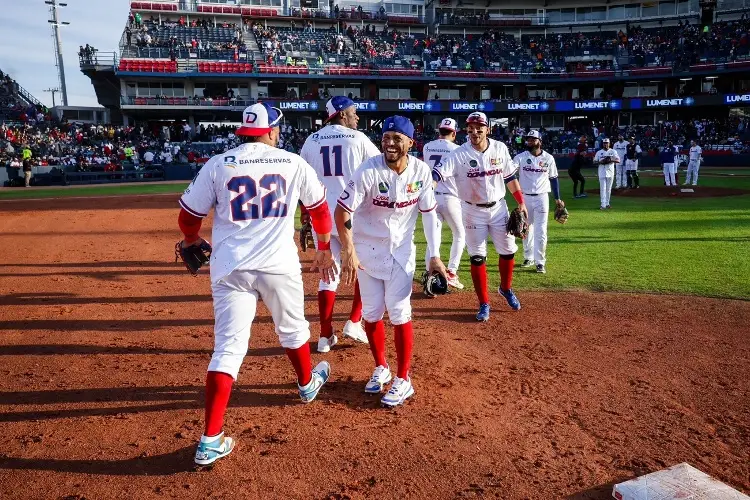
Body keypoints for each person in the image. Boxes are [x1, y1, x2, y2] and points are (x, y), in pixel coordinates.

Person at [177, 103, 337, 465]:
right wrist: (325, 248)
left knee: (229, 348)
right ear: (273, 130)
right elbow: (320, 210)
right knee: (293, 330)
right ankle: (306, 383)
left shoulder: (219, 162)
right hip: (278, 264)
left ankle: (210, 438)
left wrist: (190, 240)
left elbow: (188, 217)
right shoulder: (292, 162)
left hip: (230, 266)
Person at [334, 115, 446, 408]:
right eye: (386, 137)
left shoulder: (421, 172)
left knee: (398, 311)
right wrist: (349, 250)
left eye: (397, 138)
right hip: (367, 251)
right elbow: (342, 211)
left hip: (401, 253)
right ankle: (381, 366)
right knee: (370, 314)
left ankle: (403, 378)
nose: (390, 143)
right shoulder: (368, 170)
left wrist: (434, 255)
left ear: (410, 142)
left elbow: (430, 214)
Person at [299, 96, 381, 353]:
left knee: (327, 274)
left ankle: (324, 335)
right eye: (354, 113)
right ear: (342, 115)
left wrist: (304, 213)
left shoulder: (311, 140)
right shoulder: (358, 139)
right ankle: (354, 321)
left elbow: (303, 181)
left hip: (321, 215)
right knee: (364, 268)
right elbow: (381, 169)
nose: (357, 118)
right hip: (351, 214)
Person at [433, 112, 527, 322]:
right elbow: (438, 173)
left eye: (479, 128)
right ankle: (484, 302)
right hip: (472, 210)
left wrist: (520, 202)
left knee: (509, 252)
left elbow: (510, 177)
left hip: (498, 208)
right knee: (477, 257)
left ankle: (505, 288)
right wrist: (428, 186)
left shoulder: (500, 148)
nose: (474, 132)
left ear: (488, 129)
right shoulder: (458, 154)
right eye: (471, 128)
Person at [421, 117, 464, 289]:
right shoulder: (458, 149)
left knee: (433, 239)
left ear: (439, 130)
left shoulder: (427, 146)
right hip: (451, 196)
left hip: (431, 196)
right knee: (460, 234)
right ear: (454, 133)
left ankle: (429, 274)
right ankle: (452, 272)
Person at [515, 130, 564, 274]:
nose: (530, 142)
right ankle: (528, 257)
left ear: (540, 141)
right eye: (528, 140)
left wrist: (558, 198)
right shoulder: (521, 157)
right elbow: (510, 171)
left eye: (533, 139)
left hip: (542, 197)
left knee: (541, 231)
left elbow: (554, 178)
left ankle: (540, 262)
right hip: (525, 198)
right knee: (525, 228)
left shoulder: (548, 158)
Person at [594, 138, 619, 210]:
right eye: (604, 143)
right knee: (603, 189)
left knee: (608, 189)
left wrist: (611, 160)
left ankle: (607, 203)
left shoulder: (613, 151)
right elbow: (594, 161)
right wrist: (600, 162)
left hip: (610, 172)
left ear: (609, 143)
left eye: (607, 143)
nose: (605, 144)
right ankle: (603, 205)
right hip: (601, 172)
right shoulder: (599, 152)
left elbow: (618, 160)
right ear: (603, 144)